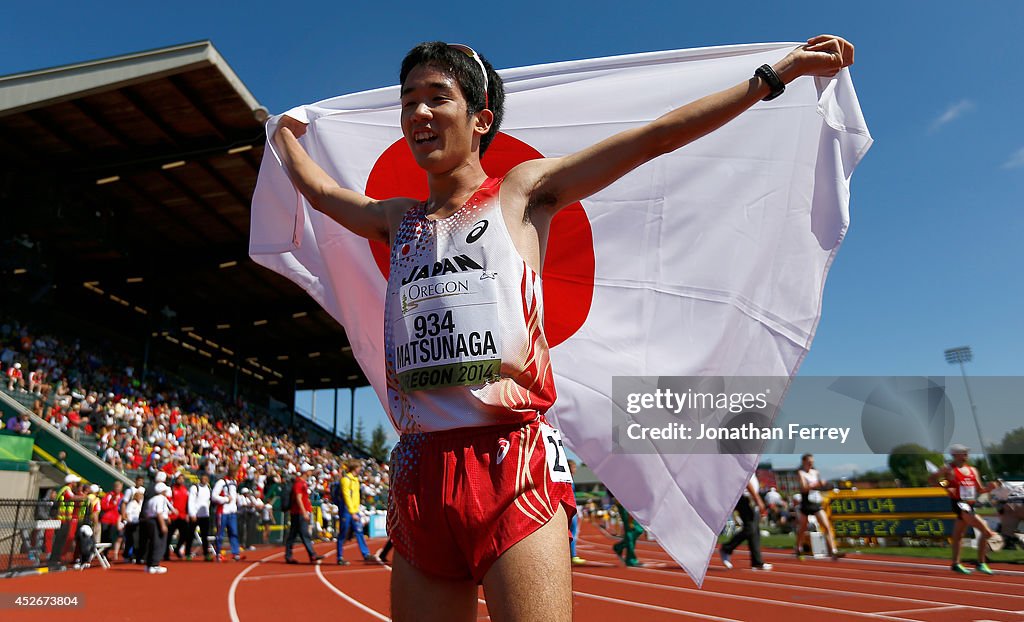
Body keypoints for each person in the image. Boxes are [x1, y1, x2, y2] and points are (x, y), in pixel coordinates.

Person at [272, 37, 853, 621]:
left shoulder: (522, 194)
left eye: (436, 97)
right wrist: (280, 138)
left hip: (513, 463)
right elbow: (322, 193)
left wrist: (774, 77)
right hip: (420, 468)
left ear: (481, 119)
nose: (418, 113)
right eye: (409, 102)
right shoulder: (398, 219)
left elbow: (655, 138)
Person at [929, 444, 1002, 574]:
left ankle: (956, 563)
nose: (966, 455)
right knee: (985, 531)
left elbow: (980, 490)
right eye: (963, 453)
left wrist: (990, 487)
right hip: (959, 504)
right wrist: (945, 486)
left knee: (958, 536)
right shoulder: (948, 469)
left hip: (970, 504)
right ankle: (981, 562)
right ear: (954, 454)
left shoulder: (973, 470)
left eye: (967, 453)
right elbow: (932, 480)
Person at [795, 453, 843, 560]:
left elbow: (819, 486)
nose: (811, 463)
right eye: (809, 461)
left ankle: (833, 551)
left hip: (816, 502)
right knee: (802, 528)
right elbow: (803, 488)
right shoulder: (801, 473)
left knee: (826, 526)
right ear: (804, 462)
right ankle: (798, 548)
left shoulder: (815, 472)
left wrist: (823, 485)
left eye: (812, 461)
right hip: (806, 502)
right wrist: (816, 484)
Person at [719, 474, 772, 571]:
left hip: (750, 498)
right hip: (744, 498)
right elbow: (746, 480)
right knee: (750, 528)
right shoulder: (745, 462)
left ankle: (757, 562)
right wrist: (758, 499)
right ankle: (727, 548)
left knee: (755, 531)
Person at [285, 463, 325, 564]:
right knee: (303, 534)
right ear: (306, 471)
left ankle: (289, 555)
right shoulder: (299, 483)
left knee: (294, 535)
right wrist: (304, 512)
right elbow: (299, 499)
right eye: (310, 470)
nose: (311, 472)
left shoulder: (302, 483)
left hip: (298, 512)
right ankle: (312, 554)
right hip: (298, 513)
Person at [337, 461, 376, 563]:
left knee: (359, 531)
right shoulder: (346, 480)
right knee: (343, 533)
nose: (360, 470)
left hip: (355, 510)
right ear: (355, 468)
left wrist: (356, 510)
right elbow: (346, 496)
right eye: (359, 467)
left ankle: (366, 554)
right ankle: (339, 556)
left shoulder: (356, 480)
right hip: (347, 510)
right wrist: (352, 512)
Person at [212, 465, 242, 561]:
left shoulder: (234, 482)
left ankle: (235, 553)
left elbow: (234, 495)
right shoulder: (221, 482)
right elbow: (214, 496)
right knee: (220, 533)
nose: (238, 474)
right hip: (223, 511)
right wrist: (225, 499)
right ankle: (218, 553)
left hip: (232, 512)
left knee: (234, 532)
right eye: (236, 472)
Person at [141, 482, 171, 574]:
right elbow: (159, 513)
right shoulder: (161, 499)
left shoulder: (152, 499)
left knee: (152, 543)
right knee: (158, 543)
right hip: (157, 521)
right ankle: (154, 565)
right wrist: (163, 525)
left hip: (150, 521)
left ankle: (149, 564)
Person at [186, 472, 213, 560]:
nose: (204, 480)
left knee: (205, 536)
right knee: (190, 534)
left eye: (206, 478)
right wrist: (192, 514)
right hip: (195, 515)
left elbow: (208, 501)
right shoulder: (194, 488)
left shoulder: (208, 488)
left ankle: (206, 554)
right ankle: (187, 553)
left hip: (205, 515)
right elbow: (191, 501)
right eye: (203, 478)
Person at [567, 460, 586, 566]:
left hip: (572, 506)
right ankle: (573, 555)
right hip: (571, 507)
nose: (576, 469)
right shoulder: (567, 479)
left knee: (572, 532)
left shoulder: (570, 479)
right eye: (574, 467)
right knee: (572, 533)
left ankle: (571, 555)